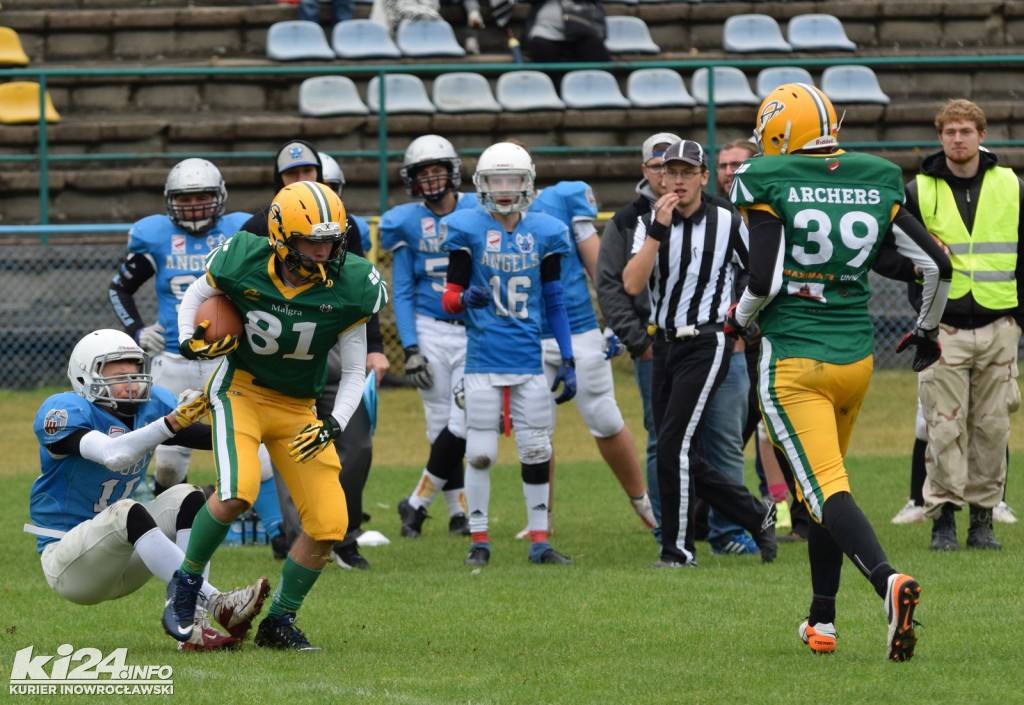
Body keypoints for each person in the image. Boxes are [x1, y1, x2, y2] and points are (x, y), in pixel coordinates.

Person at [728, 82, 952, 660]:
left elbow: (763, 279)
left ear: (777, 133)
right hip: (855, 360)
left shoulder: (765, 177)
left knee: (825, 489)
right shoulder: (874, 173)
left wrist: (737, 319)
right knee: (820, 490)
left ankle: (887, 582)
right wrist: (925, 333)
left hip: (796, 361)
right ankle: (821, 619)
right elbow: (936, 265)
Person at [163, 180, 389, 650]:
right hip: (240, 391)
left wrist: (334, 422)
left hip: (298, 407)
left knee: (329, 524)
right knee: (237, 493)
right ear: (283, 237)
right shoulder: (243, 255)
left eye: (332, 240)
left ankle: (279, 621)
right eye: (313, 241)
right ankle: (184, 585)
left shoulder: (351, 284)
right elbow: (194, 294)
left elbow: (352, 372)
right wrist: (188, 339)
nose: (326, 251)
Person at [29, 329, 269, 651]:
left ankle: (194, 624)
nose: (132, 380)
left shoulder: (150, 408)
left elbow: (214, 438)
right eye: (118, 372)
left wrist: (262, 421)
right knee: (128, 510)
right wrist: (170, 423)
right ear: (85, 377)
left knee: (190, 497)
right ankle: (216, 602)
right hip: (71, 565)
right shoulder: (64, 411)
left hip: (126, 556)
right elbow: (114, 454)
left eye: (135, 370)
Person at [107, 159, 288, 558]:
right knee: (170, 460)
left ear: (219, 198)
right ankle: (167, 534)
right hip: (175, 358)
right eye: (185, 199)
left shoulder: (241, 231)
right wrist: (136, 329)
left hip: (231, 360)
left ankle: (279, 534)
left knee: (254, 448)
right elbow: (119, 288)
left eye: (202, 197)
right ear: (171, 202)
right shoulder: (154, 236)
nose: (193, 206)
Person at [622, 139, 778, 569]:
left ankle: (677, 550)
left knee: (673, 444)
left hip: (708, 340)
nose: (678, 181)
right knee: (675, 448)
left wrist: (741, 322)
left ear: (703, 177)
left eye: (687, 173)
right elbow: (632, 284)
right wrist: (657, 229)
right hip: (664, 343)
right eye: (671, 172)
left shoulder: (727, 220)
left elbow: (759, 272)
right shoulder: (649, 220)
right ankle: (753, 512)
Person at [243, 141, 389, 569]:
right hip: (280, 356)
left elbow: (361, 292)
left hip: (333, 347)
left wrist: (376, 347)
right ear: (279, 182)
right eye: (291, 174)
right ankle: (297, 539)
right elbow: (225, 290)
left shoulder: (344, 225)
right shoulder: (256, 226)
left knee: (357, 443)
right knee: (292, 450)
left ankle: (344, 535)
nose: (302, 179)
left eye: (309, 171)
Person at [438, 141, 577, 567]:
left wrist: (568, 358)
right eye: (496, 179)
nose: (503, 188)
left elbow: (555, 303)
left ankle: (539, 540)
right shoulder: (467, 228)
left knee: (537, 449)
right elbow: (448, 299)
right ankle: (479, 540)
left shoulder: (547, 231)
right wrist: (465, 301)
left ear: (527, 182)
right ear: (482, 183)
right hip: (482, 358)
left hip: (528, 359)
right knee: (480, 452)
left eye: (511, 179)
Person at [903, 98, 1023, 551]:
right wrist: (918, 265)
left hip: (999, 324)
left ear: (982, 135)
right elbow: (890, 252)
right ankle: (943, 521)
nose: (958, 139)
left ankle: (983, 520)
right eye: (950, 131)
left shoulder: (1011, 186)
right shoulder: (917, 190)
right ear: (940, 137)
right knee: (943, 427)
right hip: (943, 328)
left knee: (993, 429)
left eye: (966, 131)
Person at [528, 177, 656, 535]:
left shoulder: (561, 199)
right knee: (535, 432)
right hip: (523, 334)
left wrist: (616, 321)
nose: (505, 187)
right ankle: (541, 520)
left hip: (577, 325)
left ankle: (643, 503)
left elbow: (600, 270)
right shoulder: (478, 216)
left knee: (606, 418)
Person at [380, 135, 477, 539]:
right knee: (441, 424)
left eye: (438, 170)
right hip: (430, 329)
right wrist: (411, 347)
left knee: (466, 419)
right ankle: (458, 511)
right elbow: (400, 289)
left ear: (453, 172)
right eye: (425, 173)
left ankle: (417, 501)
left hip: (473, 328)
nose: (433, 179)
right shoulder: (405, 221)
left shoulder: (477, 208)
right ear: (413, 180)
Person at [596, 132, 680, 541]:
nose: (666, 174)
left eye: (675, 165)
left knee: (717, 438)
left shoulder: (714, 213)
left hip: (707, 340)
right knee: (660, 437)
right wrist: (639, 342)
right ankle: (667, 527)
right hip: (655, 345)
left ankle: (717, 525)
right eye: (658, 165)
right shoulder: (627, 220)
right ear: (645, 170)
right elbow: (610, 286)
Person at [524, 0, 610, 68]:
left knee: (595, 45)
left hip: (580, 24)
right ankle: (553, 87)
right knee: (539, 45)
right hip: (545, 27)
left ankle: (603, 84)